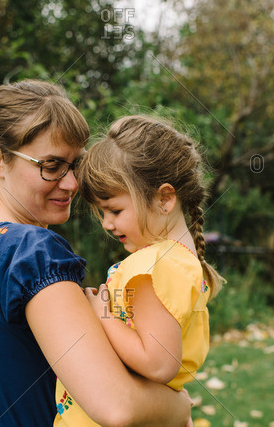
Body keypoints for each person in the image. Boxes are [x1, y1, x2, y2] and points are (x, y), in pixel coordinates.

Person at [0, 81, 192, 426]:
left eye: (75, 165)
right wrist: (180, 407)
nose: (72, 183)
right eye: (51, 165)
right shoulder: (31, 253)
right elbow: (119, 407)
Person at [54, 115, 225, 426]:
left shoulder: (152, 267)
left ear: (164, 198)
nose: (107, 223)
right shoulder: (175, 263)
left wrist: (100, 313)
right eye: (102, 212)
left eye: (115, 210)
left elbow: (158, 364)